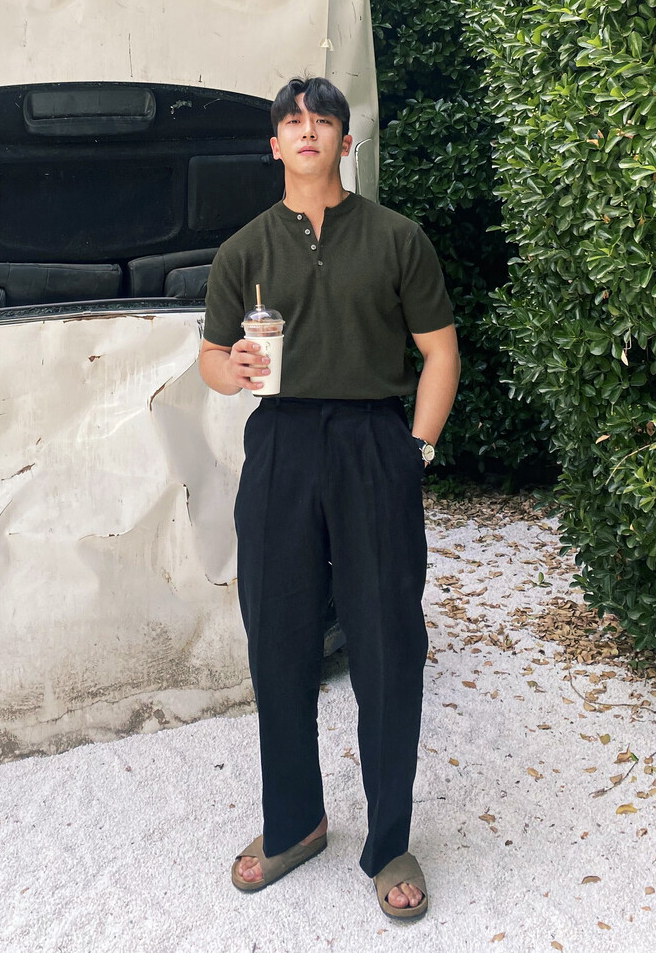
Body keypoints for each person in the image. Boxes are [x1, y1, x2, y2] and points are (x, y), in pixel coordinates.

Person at [199, 77, 460, 919]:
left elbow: (440, 351)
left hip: (373, 443)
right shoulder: (244, 250)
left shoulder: (397, 239)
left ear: (346, 142)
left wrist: (415, 449)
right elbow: (211, 359)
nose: (306, 131)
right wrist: (233, 368)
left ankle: (389, 843)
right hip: (280, 444)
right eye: (292, 122)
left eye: (322, 121)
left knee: (386, 641)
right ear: (274, 145)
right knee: (278, 638)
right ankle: (294, 824)